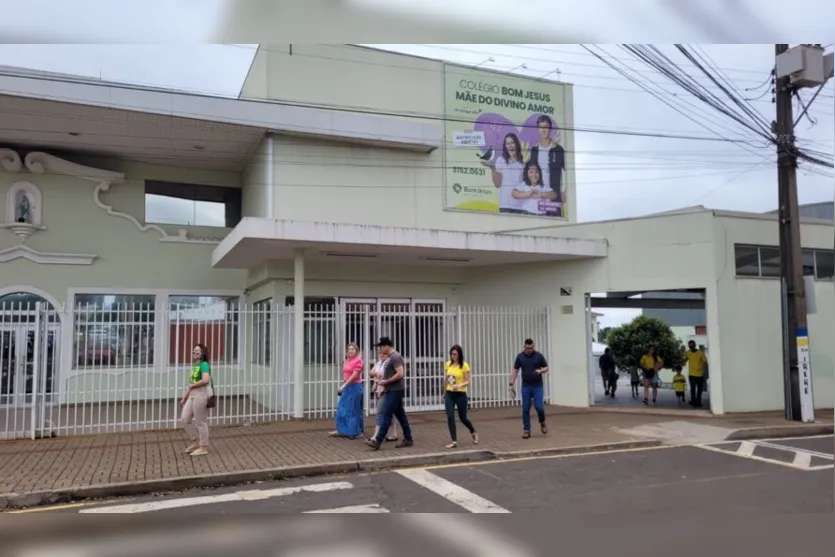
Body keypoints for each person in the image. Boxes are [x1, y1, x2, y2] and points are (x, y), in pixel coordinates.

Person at [366, 337, 413, 450]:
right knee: (401, 416)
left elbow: (400, 373)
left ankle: (378, 440)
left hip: (394, 390)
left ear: (387, 346)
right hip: (392, 390)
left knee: (386, 415)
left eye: (381, 347)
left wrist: (387, 381)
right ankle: (408, 438)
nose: (380, 349)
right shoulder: (391, 358)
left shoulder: (395, 357)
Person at [509, 338, 549, 438]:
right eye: (527, 348)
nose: (529, 350)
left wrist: (541, 371)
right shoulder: (520, 357)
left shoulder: (539, 356)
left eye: (531, 348)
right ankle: (527, 430)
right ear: (524, 347)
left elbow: (546, 367)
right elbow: (515, 370)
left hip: (537, 386)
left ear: (533, 347)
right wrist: (511, 383)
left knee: (539, 407)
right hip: (526, 386)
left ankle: (542, 422)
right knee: (525, 409)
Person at [527, 115, 567, 208]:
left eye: (546, 127)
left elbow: (570, 172)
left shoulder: (558, 150)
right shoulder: (534, 150)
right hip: (537, 201)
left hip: (554, 200)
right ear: (538, 129)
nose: (543, 130)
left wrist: (566, 191)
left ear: (550, 128)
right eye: (541, 127)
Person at [180, 343, 212, 457]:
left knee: (200, 422)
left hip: (201, 394)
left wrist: (192, 386)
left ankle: (204, 446)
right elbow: (190, 384)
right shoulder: (195, 366)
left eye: (197, 352)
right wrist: (184, 397)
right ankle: (195, 442)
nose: (195, 353)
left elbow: (205, 380)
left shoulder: (204, 365)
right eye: (194, 351)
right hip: (192, 394)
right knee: (184, 419)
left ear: (202, 353)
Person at [444, 344, 478, 449]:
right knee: (450, 416)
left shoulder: (464, 366)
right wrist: (444, 391)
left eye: (455, 354)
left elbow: (468, 381)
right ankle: (454, 441)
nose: (453, 356)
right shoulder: (448, 364)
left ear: (459, 355)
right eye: (451, 354)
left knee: (463, 418)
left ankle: (473, 431)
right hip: (450, 393)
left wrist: (460, 385)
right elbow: (446, 378)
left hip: (460, 394)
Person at [482, 132, 526, 214]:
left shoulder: (522, 164)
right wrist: (493, 168)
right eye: (507, 144)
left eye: (512, 143)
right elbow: (497, 184)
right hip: (505, 205)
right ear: (505, 147)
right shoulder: (501, 160)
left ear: (516, 145)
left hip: (519, 206)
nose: (510, 146)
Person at [331, 343, 364, 438]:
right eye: (349, 349)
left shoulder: (358, 361)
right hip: (347, 387)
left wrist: (344, 385)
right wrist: (342, 385)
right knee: (342, 409)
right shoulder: (347, 361)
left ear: (356, 351)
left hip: (355, 387)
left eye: (353, 349)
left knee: (353, 410)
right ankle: (341, 430)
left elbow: (354, 376)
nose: (350, 351)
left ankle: (355, 432)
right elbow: (346, 376)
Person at [369, 347, 399, 443]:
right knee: (390, 412)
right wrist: (375, 382)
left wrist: (377, 375)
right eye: (380, 353)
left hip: (387, 390)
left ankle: (376, 435)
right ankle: (394, 433)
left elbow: (389, 375)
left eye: (384, 354)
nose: (382, 355)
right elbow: (371, 372)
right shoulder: (379, 363)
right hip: (380, 389)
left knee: (380, 412)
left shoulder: (390, 363)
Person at [685, 340, 708, 408]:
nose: (691, 347)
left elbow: (705, 362)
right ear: (689, 346)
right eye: (690, 346)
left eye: (692, 345)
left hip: (700, 374)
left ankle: (698, 402)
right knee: (692, 389)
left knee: (699, 390)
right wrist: (680, 361)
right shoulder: (687, 352)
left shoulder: (701, 353)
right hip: (692, 374)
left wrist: (705, 372)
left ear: (695, 345)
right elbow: (685, 359)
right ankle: (693, 402)